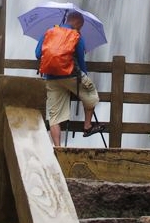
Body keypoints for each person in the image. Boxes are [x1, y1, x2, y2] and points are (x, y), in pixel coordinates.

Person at [35, 10, 105, 146]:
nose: (80, 29)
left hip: (51, 77)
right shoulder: (76, 36)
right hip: (71, 76)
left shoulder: (49, 32)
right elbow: (80, 59)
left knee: (55, 116)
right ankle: (87, 126)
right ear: (77, 22)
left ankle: (58, 148)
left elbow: (38, 54)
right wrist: (85, 77)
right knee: (91, 94)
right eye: (81, 26)